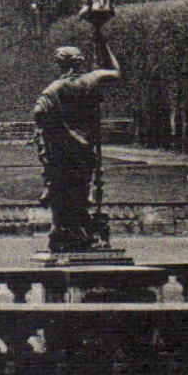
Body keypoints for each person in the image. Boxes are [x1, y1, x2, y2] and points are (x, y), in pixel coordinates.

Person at [32, 34, 120, 253]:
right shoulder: (92, 79)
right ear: (79, 61)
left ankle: (64, 232)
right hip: (85, 147)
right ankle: (81, 231)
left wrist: (57, 132)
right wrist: (103, 44)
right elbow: (116, 71)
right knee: (81, 189)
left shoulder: (54, 89)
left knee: (61, 191)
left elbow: (39, 113)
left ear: (61, 64)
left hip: (62, 150)